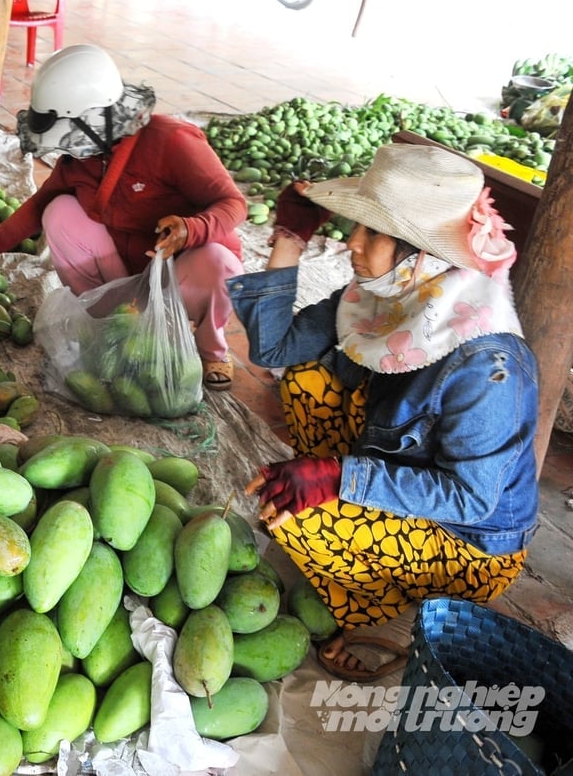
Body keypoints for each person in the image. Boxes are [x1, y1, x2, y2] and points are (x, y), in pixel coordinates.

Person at [228, 143, 539, 682]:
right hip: (395, 466)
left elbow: (469, 497)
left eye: (372, 233)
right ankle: (358, 541)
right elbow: (274, 350)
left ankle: (396, 611)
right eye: (357, 227)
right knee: (306, 380)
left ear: (424, 254)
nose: (352, 243)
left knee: (301, 524)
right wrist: (289, 237)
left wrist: (337, 477)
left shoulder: (487, 362)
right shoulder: (381, 298)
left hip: (467, 545)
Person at [0, 44, 247, 391]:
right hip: (127, 270)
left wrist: (190, 228)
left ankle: (212, 347)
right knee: (59, 213)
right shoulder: (81, 159)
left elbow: (233, 204)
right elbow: (38, 206)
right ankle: (110, 320)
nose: (65, 146)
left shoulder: (171, 141)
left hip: (184, 268)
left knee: (221, 264)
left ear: (95, 120)